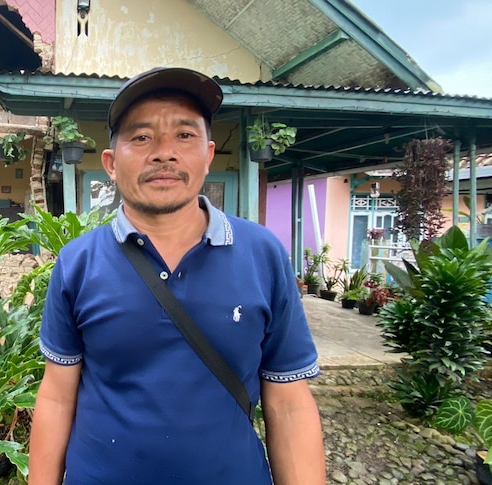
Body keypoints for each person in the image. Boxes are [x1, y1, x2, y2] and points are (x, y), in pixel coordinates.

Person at [29, 67, 325, 484]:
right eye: (142, 137)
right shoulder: (78, 262)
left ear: (207, 156)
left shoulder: (263, 255)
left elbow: (289, 401)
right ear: (111, 164)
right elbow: (57, 396)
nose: (164, 153)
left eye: (184, 135)